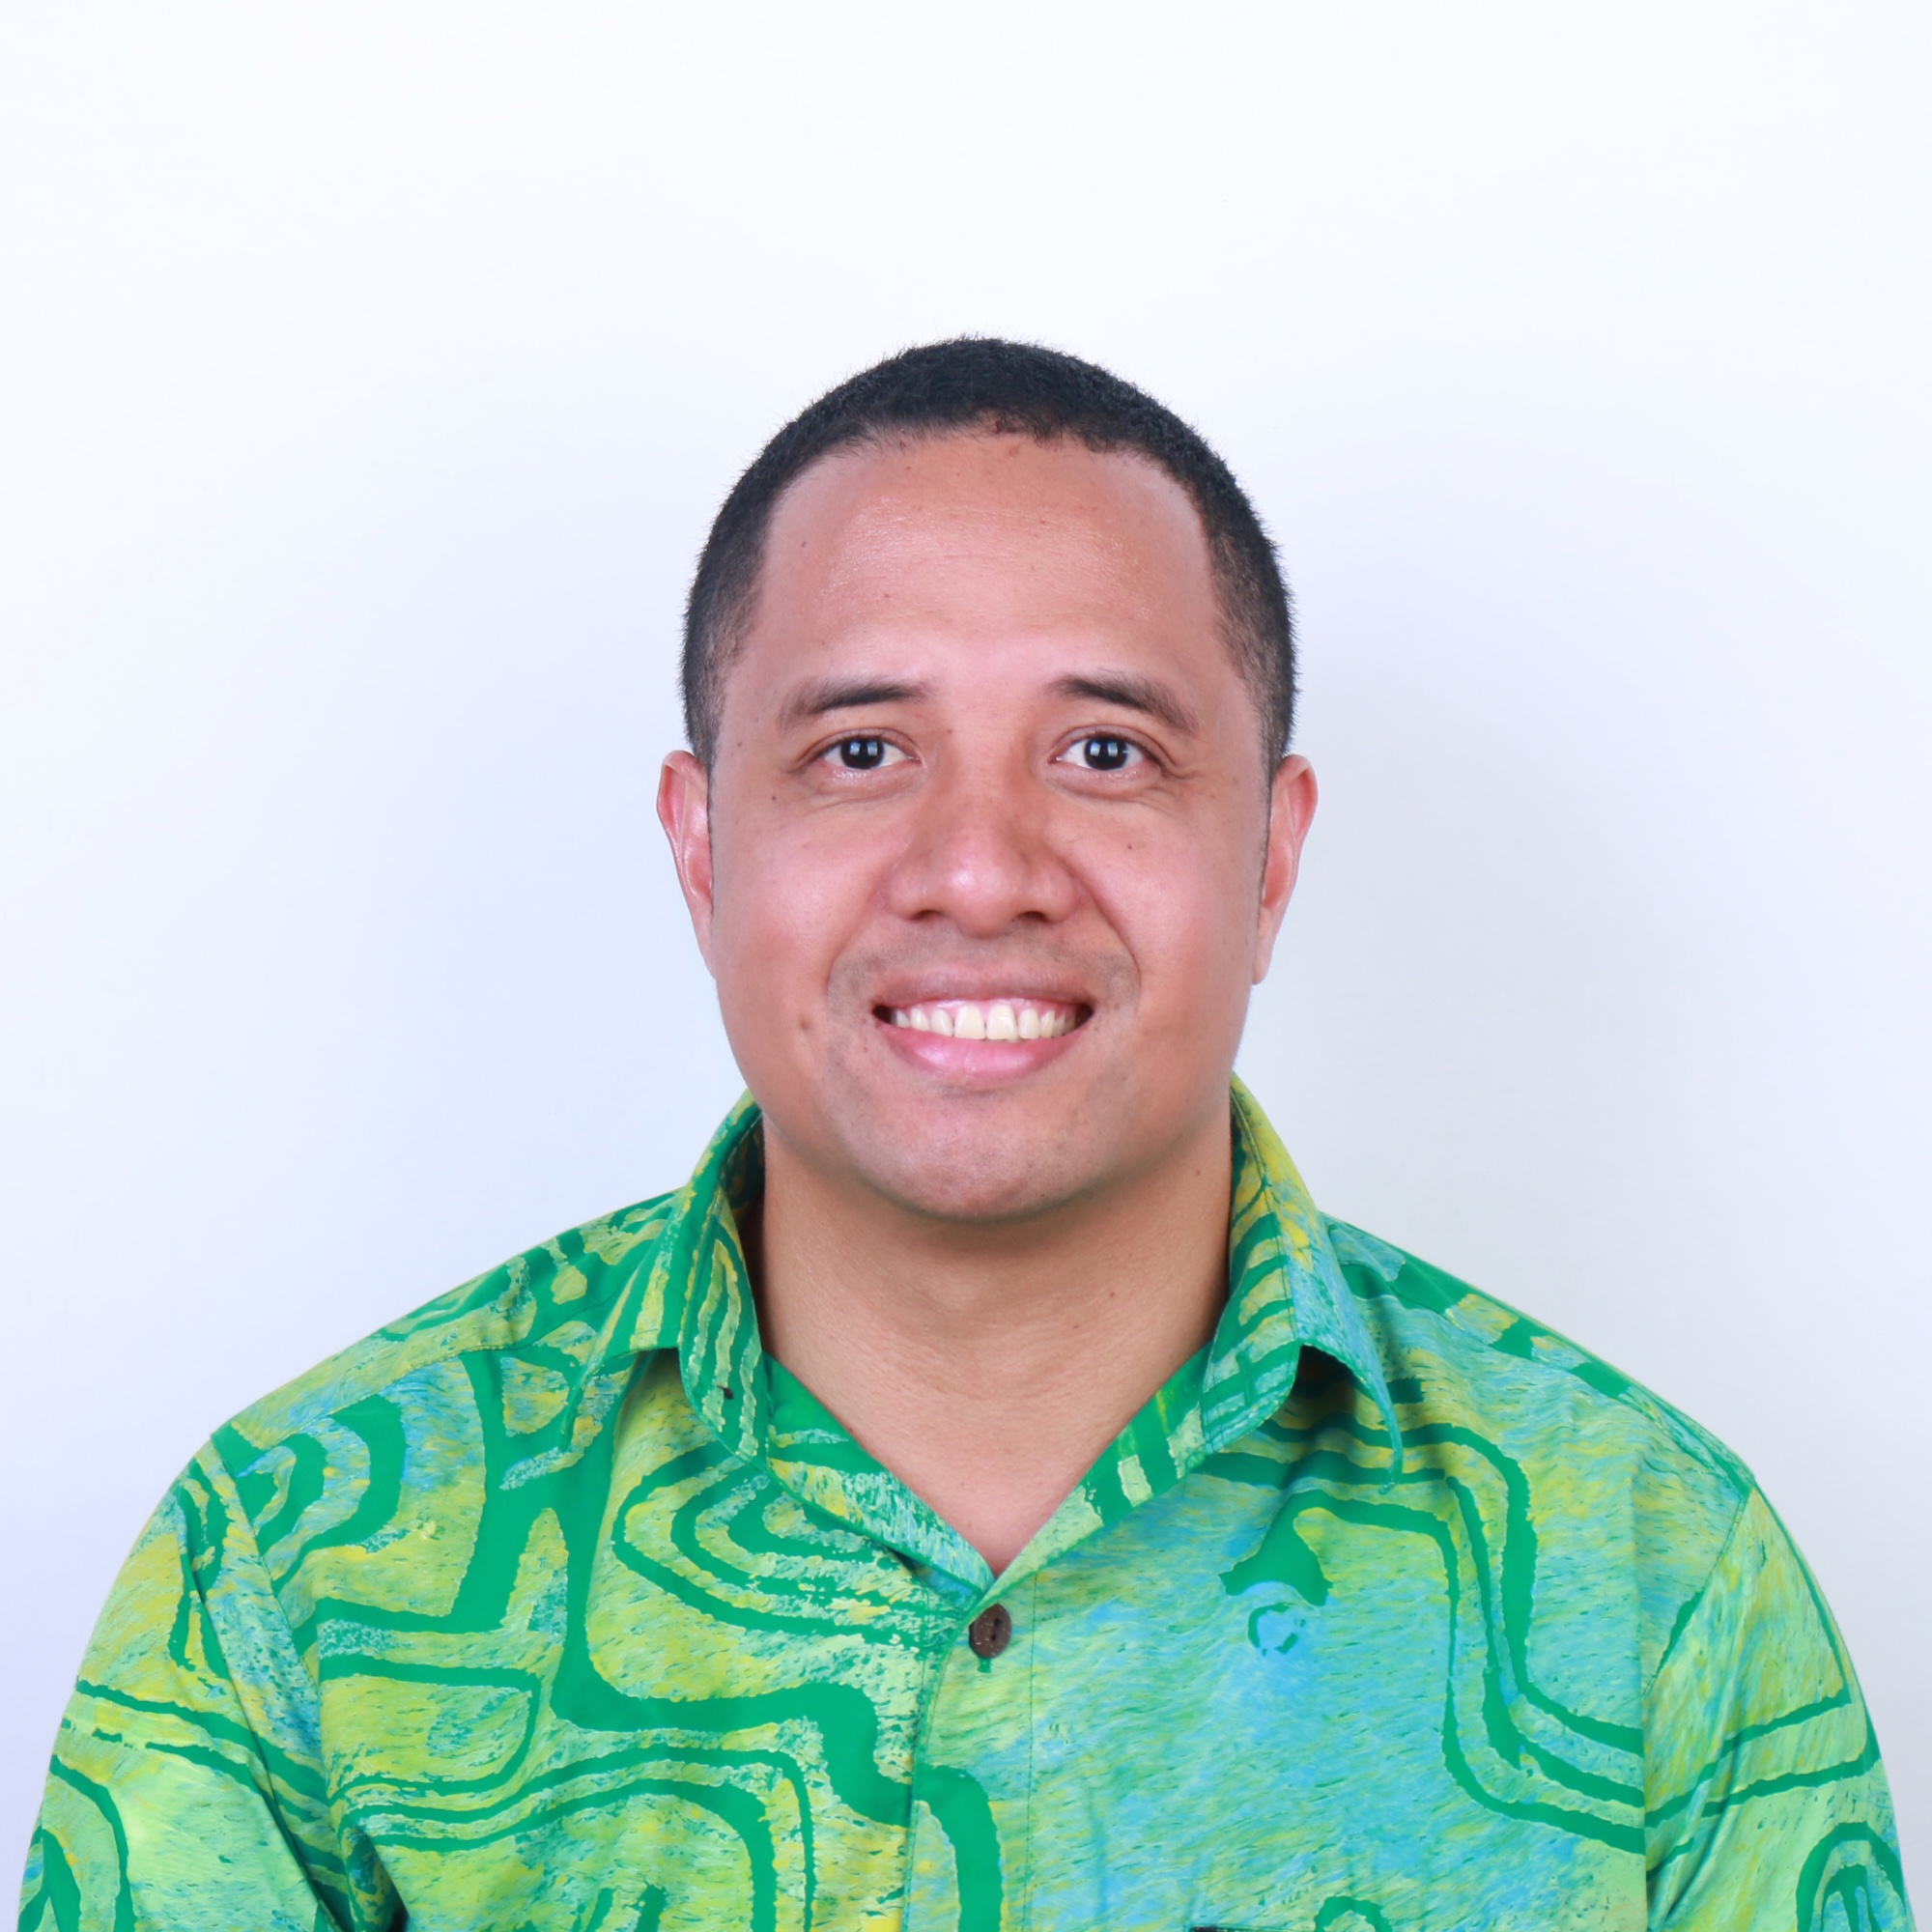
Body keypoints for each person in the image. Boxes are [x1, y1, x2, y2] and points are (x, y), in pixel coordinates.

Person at [19, 339, 1911, 1932]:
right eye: (860, 751)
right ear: (701, 847)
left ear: (1269, 857)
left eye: (1105, 753)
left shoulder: (1654, 1574)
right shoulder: (296, 1560)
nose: (981, 871)